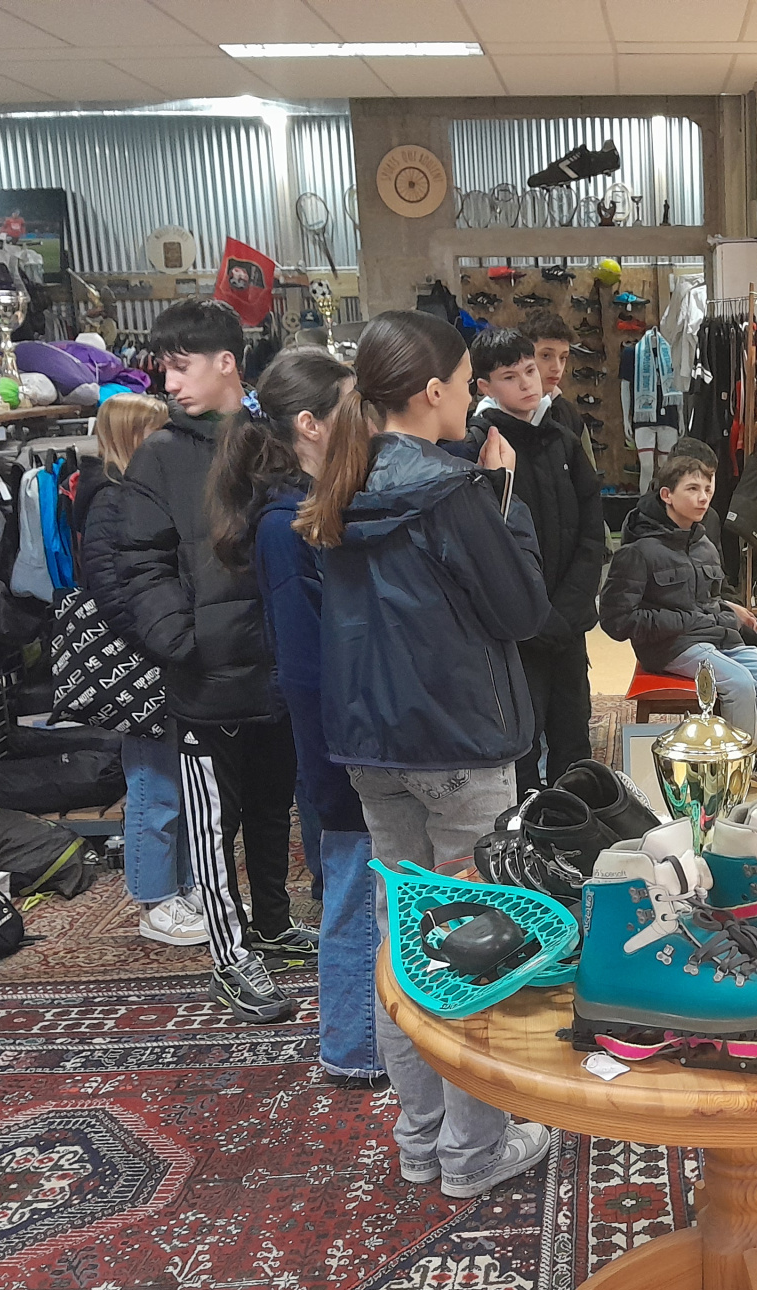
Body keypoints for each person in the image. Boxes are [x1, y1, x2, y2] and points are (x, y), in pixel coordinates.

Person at [297, 308, 554, 1197]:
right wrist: (508, 501)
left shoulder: (341, 479)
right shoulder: (451, 492)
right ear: (434, 389)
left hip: (373, 747)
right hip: (459, 742)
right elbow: (522, 610)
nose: (475, 397)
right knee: (474, 945)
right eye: (468, 381)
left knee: (407, 948)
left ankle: (422, 1138)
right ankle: (472, 1153)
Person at [115, 299, 309, 1026]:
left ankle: (273, 925)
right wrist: (180, 638)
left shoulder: (273, 441)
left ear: (227, 362)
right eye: (162, 368)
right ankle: (231, 956)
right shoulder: (161, 455)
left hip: (278, 669)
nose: (168, 383)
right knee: (212, 822)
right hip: (206, 677)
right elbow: (135, 561)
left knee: (272, 807)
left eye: (181, 365)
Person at [204, 348, 385, 1087]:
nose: (366, 419)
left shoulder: (313, 508)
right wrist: (344, 760)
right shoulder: (287, 527)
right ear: (311, 424)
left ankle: (365, 1041)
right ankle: (353, 1049)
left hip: (348, 737)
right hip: (338, 746)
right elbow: (309, 669)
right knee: (353, 891)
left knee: (368, 888)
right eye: (351, 405)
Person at [73, 392, 204, 947]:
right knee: (154, 784)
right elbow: (114, 591)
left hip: (157, 657)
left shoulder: (129, 495)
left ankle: (181, 888)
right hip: (142, 664)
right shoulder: (112, 500)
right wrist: (162, 638)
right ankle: (154, 900)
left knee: (177, 783)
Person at [465, 328, 607, 796]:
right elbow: (485, 544)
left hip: (568, 621)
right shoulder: (478, 447)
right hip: (516, 631)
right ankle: (523, 831)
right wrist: (532, 614)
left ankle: (576, 823)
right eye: (510, 376)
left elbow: (592, 531)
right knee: (521, 745)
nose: (528, 382)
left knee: (573, 732)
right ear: (484, 386)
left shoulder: (564, 440)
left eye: (530, 370)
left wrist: (569, 607)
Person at [600, 452, 757, 743]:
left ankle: (717, 743)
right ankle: (738, 758)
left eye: (707, 490)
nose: (703, 498)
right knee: (740, 683)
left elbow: (712, 598)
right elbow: (616, 621)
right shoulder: (638, 551)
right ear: (667, 495)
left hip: (716, 638)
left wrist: (726, 615)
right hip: (670, 647)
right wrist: (684, 621)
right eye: (692, 489)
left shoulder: (704, 545)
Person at [517, 309, 594, 460]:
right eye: (546, 356)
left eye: (563, 357)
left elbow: (588, 470)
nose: (557, 367)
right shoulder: (503, 412)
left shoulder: (569, 414)